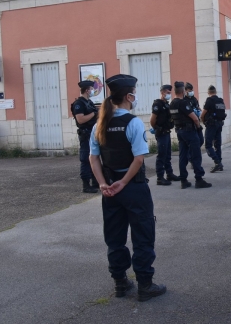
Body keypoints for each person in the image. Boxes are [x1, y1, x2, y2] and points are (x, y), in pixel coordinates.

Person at [89, 74, 166, 302]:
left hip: (109, 190)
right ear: (129, 96)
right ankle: (145, 285)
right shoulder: (132, 122)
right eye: (134, 92)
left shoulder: (99, 124)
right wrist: (122, 183)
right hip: (131, 187)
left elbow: (93, 159)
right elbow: (138, 160)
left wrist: (103, 183)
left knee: (115, 237)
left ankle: (120, 283)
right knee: (142, 234)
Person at [170, 81, 212, 189]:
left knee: (183, 156)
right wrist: (198, 127)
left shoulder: (172, 103)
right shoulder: (182, 102)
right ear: (183, 91)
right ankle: (199, 179)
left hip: (179, 131)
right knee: (196, 155)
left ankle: (183, 180)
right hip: (189, 131)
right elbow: (194, 118)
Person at [71, 80, 99, 193]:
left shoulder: (89, 102)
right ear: (87, 90)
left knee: (95, 157)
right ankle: (86, 185)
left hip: (93, 133)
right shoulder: (79, 103)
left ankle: (95, 181)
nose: (93, 91)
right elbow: (80, 119)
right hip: (85, 134)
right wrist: (94, 114)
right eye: (92, 89)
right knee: (86, 159)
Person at [150, 85, 180, 186]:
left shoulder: (166, 104)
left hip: (167, 132)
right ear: (162, 92)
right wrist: (157, 128)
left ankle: (169, 174)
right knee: (161, 155)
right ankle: (160, 177)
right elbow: (152, 120)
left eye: (170, 92)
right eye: (167, 92)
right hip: (161, 133)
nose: (169, 94)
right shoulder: (157, 104)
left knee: (167, 155)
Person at [201, 85, 227, 173]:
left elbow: (203, 114)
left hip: (211, 125)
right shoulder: (221, 101)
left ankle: (217, 162)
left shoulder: (209, 100)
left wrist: (203, 121)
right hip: (219, 124)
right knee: (217, 144)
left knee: (208, 145)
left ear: (208, 93)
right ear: (215, 92)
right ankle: (219, 163)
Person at [184, 82, 204, 151]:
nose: (191, 92)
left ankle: (192, 154)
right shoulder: (184, 100)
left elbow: (198, 107)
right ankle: (191, 156)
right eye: (189, 91)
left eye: (192, 90)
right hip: (190, 124)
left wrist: (201, 113)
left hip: (197, 122)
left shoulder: (194, 99)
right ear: (185, 91)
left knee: (201, 140)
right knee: (194, 142)